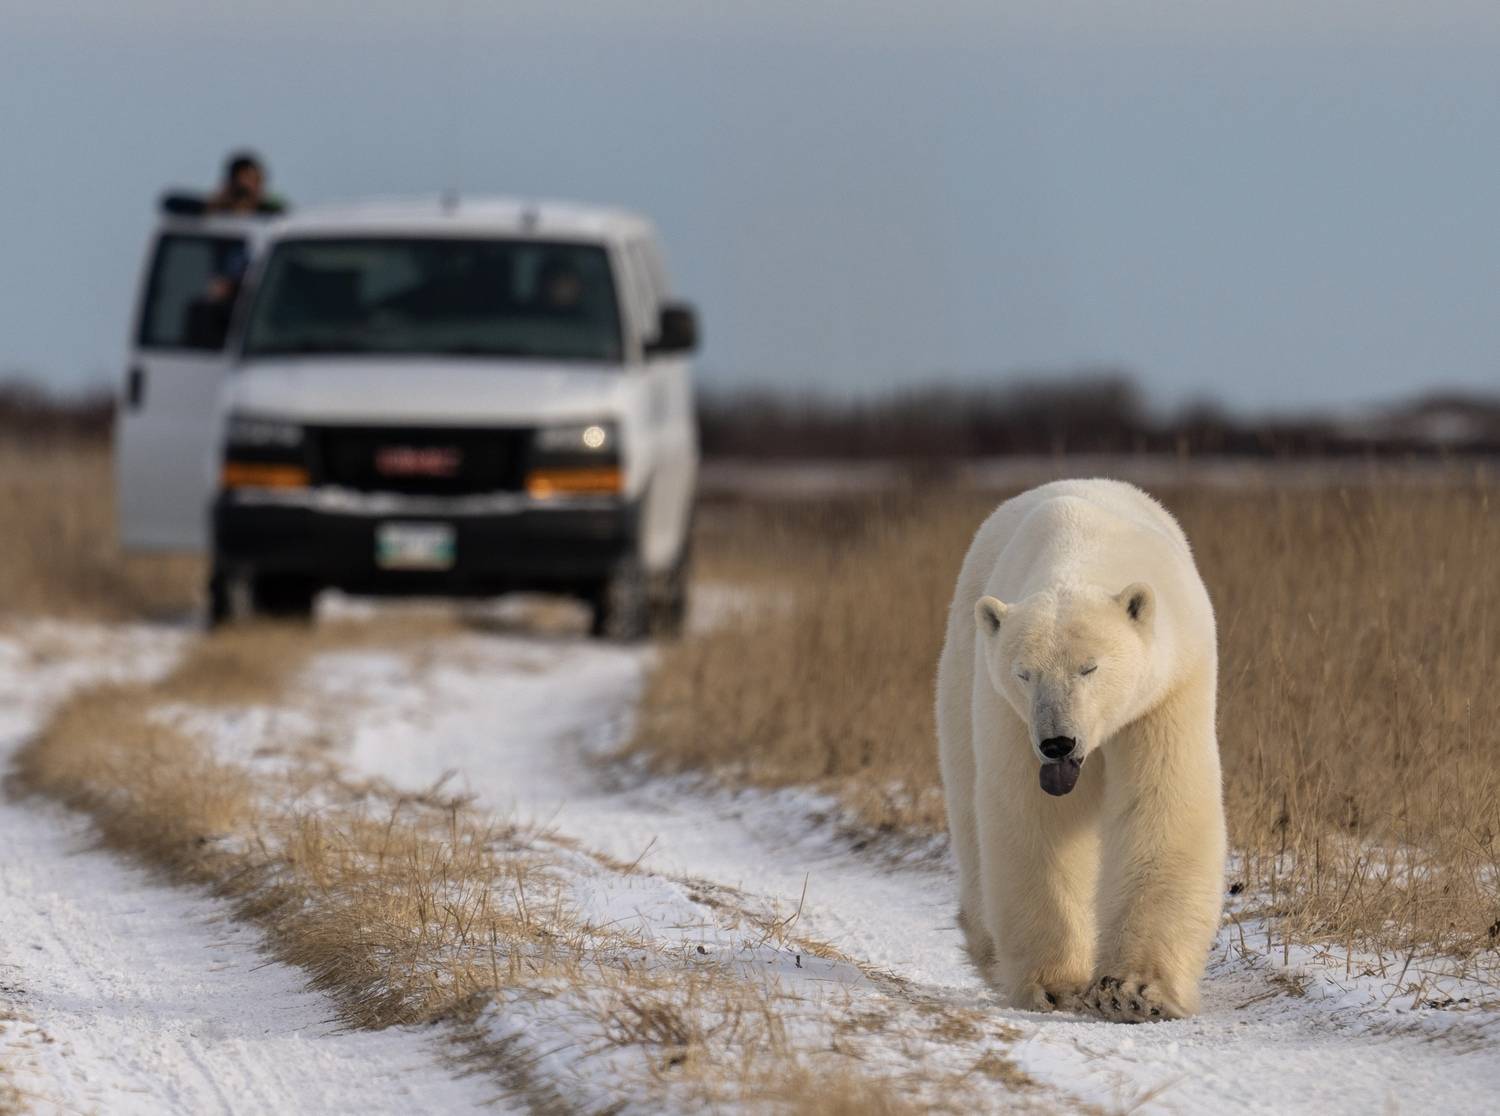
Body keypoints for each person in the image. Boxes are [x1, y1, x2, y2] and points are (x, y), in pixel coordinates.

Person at [205, 150, 286, 215]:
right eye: (249, 179)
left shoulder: (271, 212)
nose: (255, 186)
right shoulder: (210, 212)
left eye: (257, 180)